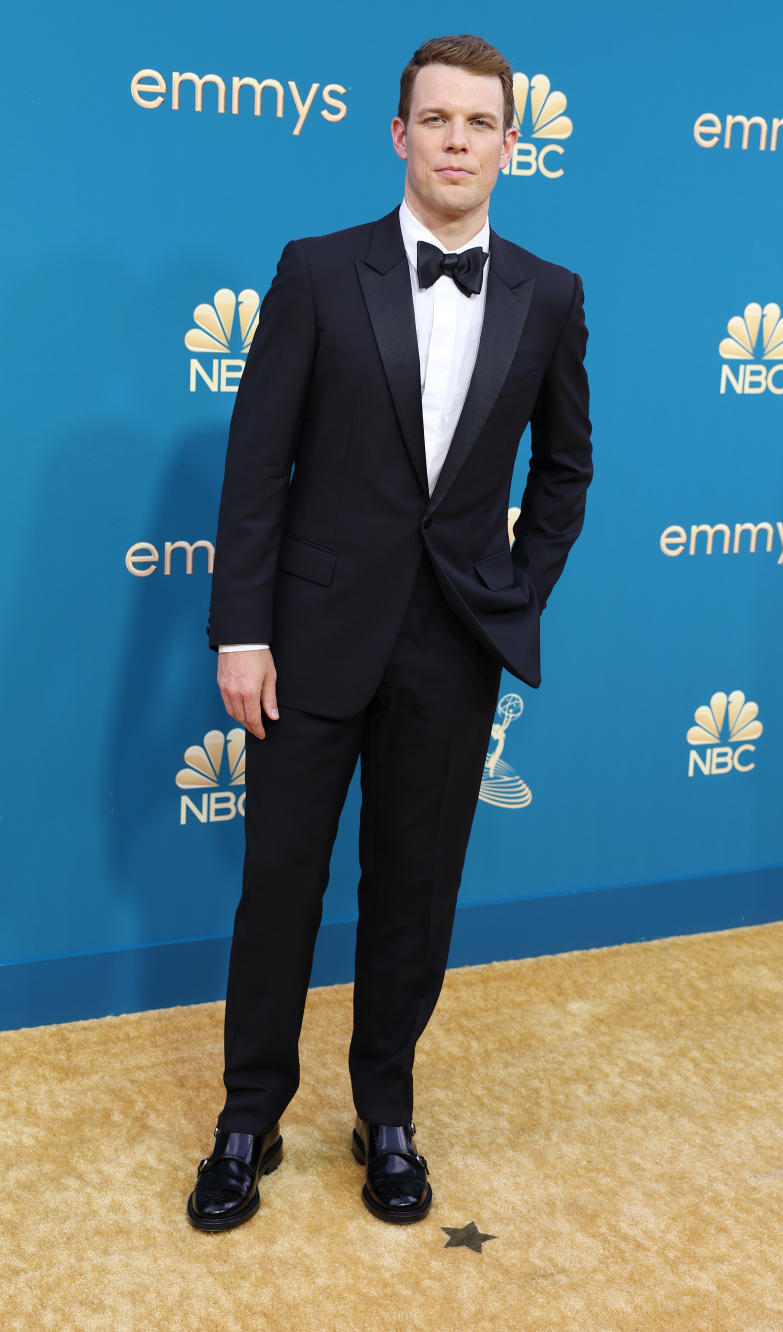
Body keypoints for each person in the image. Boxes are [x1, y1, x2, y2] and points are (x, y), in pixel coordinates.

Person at [186, 33, 592, 1232]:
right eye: (438, 119)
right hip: (306, 642)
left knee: (415, 896)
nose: (458, 140)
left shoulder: (551, 293)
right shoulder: (318, 271)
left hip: (450, 647)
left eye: (481, 122)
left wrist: (508, 593)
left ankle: (389, 1114)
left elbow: (567, 474)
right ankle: (246, 1119)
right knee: (279, 891)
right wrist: (239, 632)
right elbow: (257, 467)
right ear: (401, 135)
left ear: (511, 146)